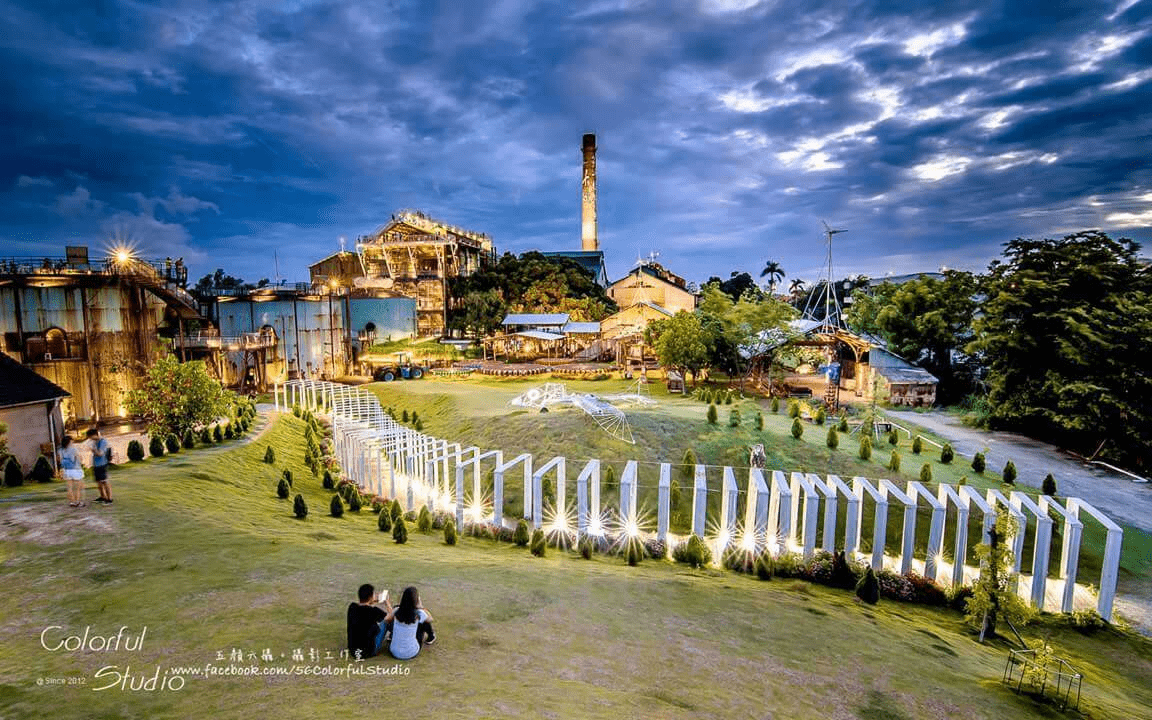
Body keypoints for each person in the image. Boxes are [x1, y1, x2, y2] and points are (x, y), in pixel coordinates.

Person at [384, 586, 436, 660]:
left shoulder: (397, 610)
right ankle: (431, 637)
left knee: (392, 618)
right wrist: (421, 607)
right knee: (424, 622)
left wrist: (387, 603)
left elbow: (387, 619)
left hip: (394, 651)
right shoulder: (419, 613)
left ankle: (392, 635)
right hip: (411, 652)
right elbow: (430, 619)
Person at [347, 584, 391, 661]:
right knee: (386, 622)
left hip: (353, 650)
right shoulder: (374, 611)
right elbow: (391, 617)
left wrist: (371, 601)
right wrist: (387, 602)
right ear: (370, 597)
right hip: (368, 652)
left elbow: (364, 606)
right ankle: (393, 640)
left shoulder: (352, 607)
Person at [85, 428, 112, 504]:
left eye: (91, 437)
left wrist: (93, 449)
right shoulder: (95, 442)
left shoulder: (103, 441)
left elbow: (100, 453)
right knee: (99, 482)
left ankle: (109, 498)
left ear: (95, 435)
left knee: (104, 481)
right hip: (96, 464)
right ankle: (103, 496)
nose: (90, 439)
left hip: (102, 464)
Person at [58, 436, 85, 507]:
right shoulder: (74, 450)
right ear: (69, 442)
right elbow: (79, 459)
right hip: (76, 469)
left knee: (69, 487)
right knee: (78, 488)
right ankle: (78, 501)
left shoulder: (60, 450)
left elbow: (60, 461)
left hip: (67, 470)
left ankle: (72, 501)